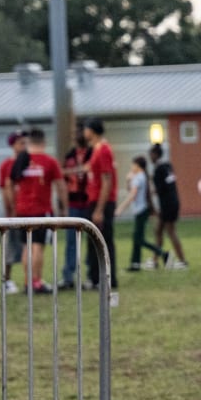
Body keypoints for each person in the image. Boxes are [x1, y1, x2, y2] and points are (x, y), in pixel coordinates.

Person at [11, 129, 67, 294]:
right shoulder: (49, 161)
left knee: (26, 247)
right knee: (38, 246)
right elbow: (60, 186)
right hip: (41, 210)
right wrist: (64, 207)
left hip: (22, 210)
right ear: (43, 142)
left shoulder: (20, 160)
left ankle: (28, 282)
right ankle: (36, 281)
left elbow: (11, 184)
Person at [83, 118, 118, 290]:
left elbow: (107, 180)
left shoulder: (103, 150)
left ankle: (106, 278)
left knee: (104, 240)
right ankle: (96, 277)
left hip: (101, 201)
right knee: (93, 240)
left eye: (86, 128)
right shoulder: (96, 149)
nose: (84, 132)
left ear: (92, 130)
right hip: (94, 199)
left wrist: (99, 209)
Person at [116, 156, 168, 271]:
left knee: (139, 239)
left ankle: (163, 254)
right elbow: (131, 190)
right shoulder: (141, 176)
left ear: (137, 166)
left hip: (140, 210)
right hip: (141, 210)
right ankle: (135, 264)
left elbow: (132, 194)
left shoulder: (139, 177)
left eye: (133, 165)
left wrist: (121, 208)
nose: (131, 167)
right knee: (136, 238)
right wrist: (128, 180)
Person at [59, 122, 93, 291]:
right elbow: (62, 175)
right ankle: (68, 277)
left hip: (88, 202)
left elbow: (93, 170)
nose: (76, 136)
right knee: (71, 241)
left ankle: (90, 276)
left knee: (92, 241)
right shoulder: (70, 155)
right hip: (73, 203)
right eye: (75, 133)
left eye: (79, 132)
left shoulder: (93, 152)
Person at [0, 131, 27, 294]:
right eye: (21, 143)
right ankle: (6, 280)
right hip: (12, 212)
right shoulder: (6, 165)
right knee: (10, 247)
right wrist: (10, 210)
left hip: (26, 211)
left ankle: (28, 279)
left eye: (25, 143)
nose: (24, 146)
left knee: (27, 246)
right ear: (13, 145)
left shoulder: (28, 163)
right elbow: (4, 188)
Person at [149, 144, 187, 269]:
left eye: (151, 154)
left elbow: (160, 189)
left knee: (171, 231)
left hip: (167, 205)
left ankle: (182, 261)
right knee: (159, 231)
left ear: (155, 155)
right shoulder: (168, 166)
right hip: (173, 202)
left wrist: (149, 190)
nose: (150, 157)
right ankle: (155, 261)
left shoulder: (158, 169)